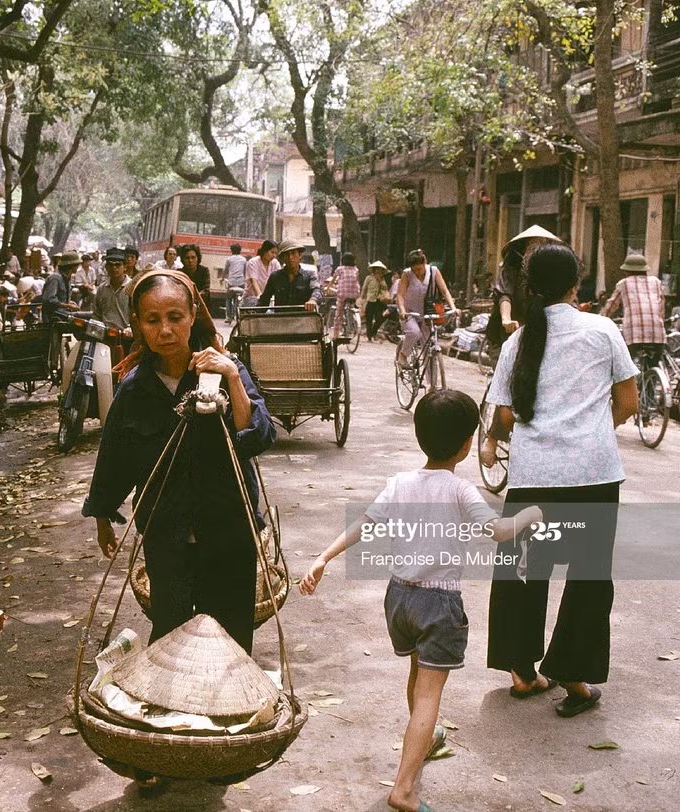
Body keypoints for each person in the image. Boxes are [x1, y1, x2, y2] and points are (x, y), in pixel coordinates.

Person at [301, 389, 542, 812]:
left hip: (398, 599)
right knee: (431, 696)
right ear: (467, 445)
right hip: (438, 605)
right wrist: (530, 515)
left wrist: (322, 557)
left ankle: (426, 738)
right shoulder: (460, 491)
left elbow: (365, 523)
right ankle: (404, 788)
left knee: (417, 675)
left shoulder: (400, 484)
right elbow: (499, 532)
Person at [82, 268, 276, 657]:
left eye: (175, 318)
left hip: (228, 530)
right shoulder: (135, 388)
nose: (165, 330)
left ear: (193, 317)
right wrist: (103, 515)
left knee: (229, 640)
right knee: (170, 634)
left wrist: (233, 379)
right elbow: (116, 456)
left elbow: (258, 436)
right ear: (138, 323)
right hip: (165, 532)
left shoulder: (223, 370)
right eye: (153, 320)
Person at [480, 242, 638, 718]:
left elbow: (505, 415)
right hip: (593, 474)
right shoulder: (603, 330)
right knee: (588, 575)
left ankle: (523, 673)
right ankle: (573, 672)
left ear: (528, 289)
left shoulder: (517, 342)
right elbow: (628, 404)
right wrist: (590, 434)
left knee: (523, 573)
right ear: (577, 284)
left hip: (534, 477)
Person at [486, 226, 563, 366]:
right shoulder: (509, 271)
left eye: (541, 246)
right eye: (532, 246)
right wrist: (506, 320)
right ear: (524, 249)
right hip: (505, 334)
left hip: (533, 333)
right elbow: (505, 296)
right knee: (503, 377)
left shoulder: (547, 276)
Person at [602, 252, 666, 370]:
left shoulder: (623, 283)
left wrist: (601, 319)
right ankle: (653, 380)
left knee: (628, 365)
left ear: (627, 271)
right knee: (653, 366)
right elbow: (661, 304)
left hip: (634, 333)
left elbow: (611, 306)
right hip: (657, 332)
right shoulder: (656, 282)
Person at [396, 250, 456, 368]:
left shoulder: (434, 272)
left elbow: (444, 291)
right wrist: (402, 310)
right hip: (409, 312)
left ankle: (432, 385)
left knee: (429, 346)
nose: (417, 273)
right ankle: (402, 356)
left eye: (419, 269)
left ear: (425, 263)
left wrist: (454, 308)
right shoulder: (407, 274)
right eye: (414, 270)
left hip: (428, 313)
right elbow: (400, 295)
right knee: (414, 332)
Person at [258, 240, 321, 311]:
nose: (290, 257)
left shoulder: (310, 275)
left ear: (300, 255)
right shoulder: (275, 277)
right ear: (283, 257)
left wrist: (313, 300)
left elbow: (317, 290)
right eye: (287, 254)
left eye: (293, 253)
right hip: (281, 320)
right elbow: (264, 300)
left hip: (303, 319)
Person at [92, 248, 131, 334]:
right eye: (110, 265)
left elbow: (140, 314)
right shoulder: (102, 289)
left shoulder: (133, 288)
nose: (114, 268)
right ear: (106, 267)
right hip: (105, 335)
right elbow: (96, 313)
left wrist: (130, 328)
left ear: (125, 267)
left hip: (127, 336)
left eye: (117, 265)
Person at [40, 251, 81, 323]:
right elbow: (50, 300)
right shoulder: (55, 278)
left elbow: (61, 298)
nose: (78, 267)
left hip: (64, 312)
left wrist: (69, 302)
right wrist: (68, 306)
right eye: (77, 265)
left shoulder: (67, 278)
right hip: (55, 314)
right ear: (72, 266)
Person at [329, 251, 360, 341]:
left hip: (343, 293)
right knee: (350, 306)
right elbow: (357, 281)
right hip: (355, 293)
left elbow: (333, 279)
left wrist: (328, 287)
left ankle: (336, 335)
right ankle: (352, 320)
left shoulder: (340, 269)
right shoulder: (356, 269)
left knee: (339, 314)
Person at [360, 260, 391, 341]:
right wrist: (362, 299)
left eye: (380, 269)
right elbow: (364, 288)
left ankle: (374, 331)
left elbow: (385, 288)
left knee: (380, 317)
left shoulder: (382, 279)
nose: (378, 270)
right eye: (376, 269)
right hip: (370, 300)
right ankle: (369, 336)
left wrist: (380, 280)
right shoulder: (369, 278)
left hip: (379, 302)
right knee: (369, 319)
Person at [243, 239, 278, 308]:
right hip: (252, 298)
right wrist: (260, 295)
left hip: (269, 300)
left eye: (275, 253)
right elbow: (254, 281)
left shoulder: (275, 263)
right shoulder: (253, 262)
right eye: (272, 252)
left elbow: (279, 279)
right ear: (265, 251)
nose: (274, 255)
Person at [223, 243, 246, 323]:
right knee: (240, 299)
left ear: (231, 250)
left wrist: (222, 278)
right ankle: (238, 314)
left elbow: (225, 270)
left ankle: (229, 317)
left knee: (228, 298)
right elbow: (245, 271)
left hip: (231, 282)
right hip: (241, 282)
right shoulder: (243, 259)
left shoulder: (229, 259)